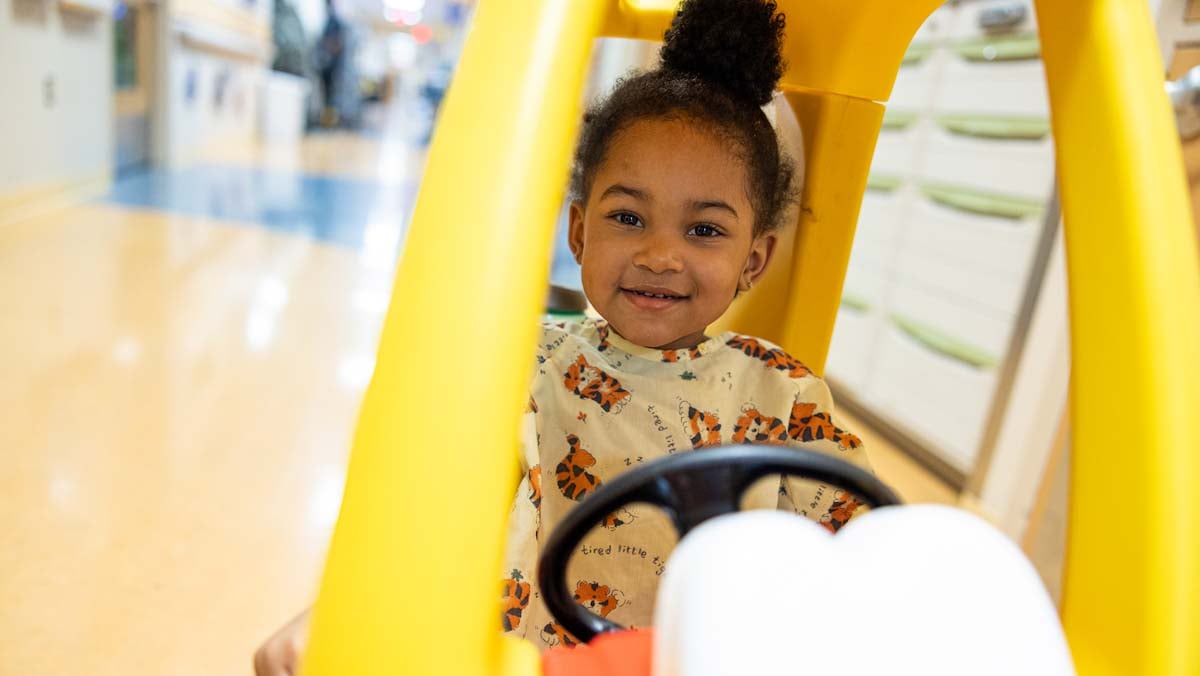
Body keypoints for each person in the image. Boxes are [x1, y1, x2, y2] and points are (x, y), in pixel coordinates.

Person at [254, 0, 870, 670]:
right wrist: (342, 609)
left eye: (704, 230)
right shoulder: (522, 361)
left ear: (753, 259)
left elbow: (865, 555)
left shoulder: (783, 394)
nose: (660, 255)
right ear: (579, 232)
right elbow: (420, 504)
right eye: (628, 217)